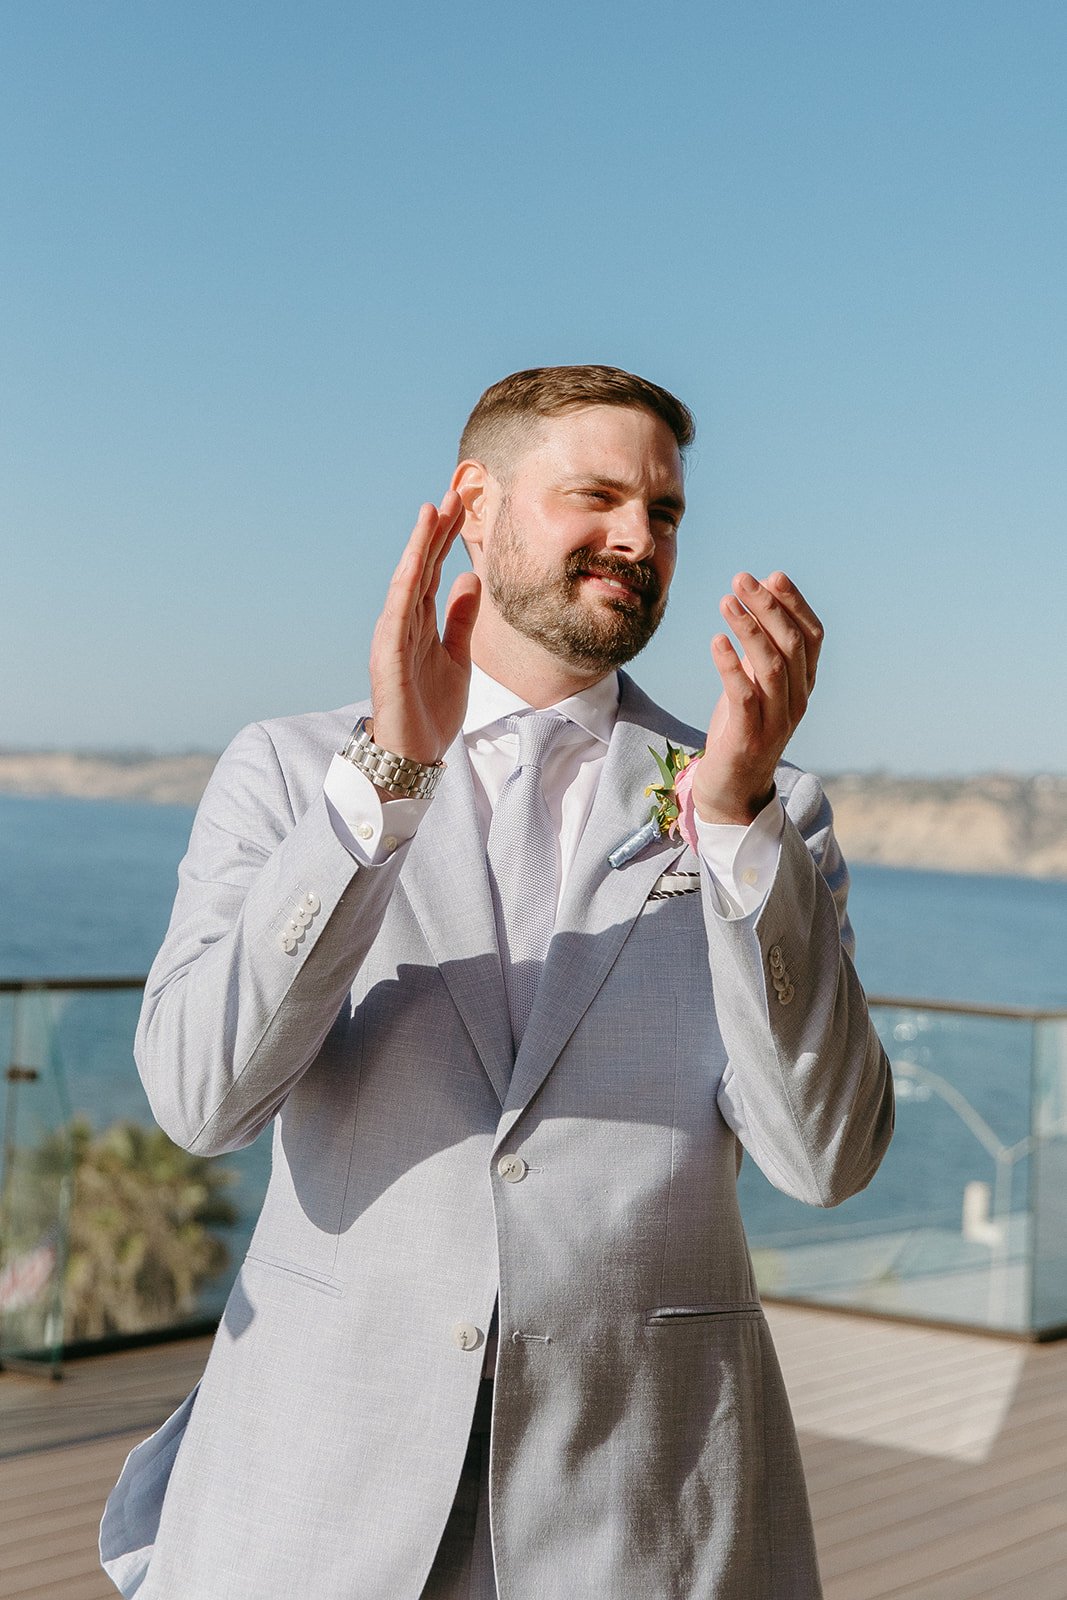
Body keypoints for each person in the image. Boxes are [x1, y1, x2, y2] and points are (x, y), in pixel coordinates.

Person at [101, 365, 893, 1600]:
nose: (639, 538)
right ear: (475, 503)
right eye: (599, 496)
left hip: (640, 1505)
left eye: (667, 513)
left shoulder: (767, 807)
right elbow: (200, 1099)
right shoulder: (293, 771)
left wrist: (734, 828)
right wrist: (376, 801)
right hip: (317, 1499)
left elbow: (824, 1157)